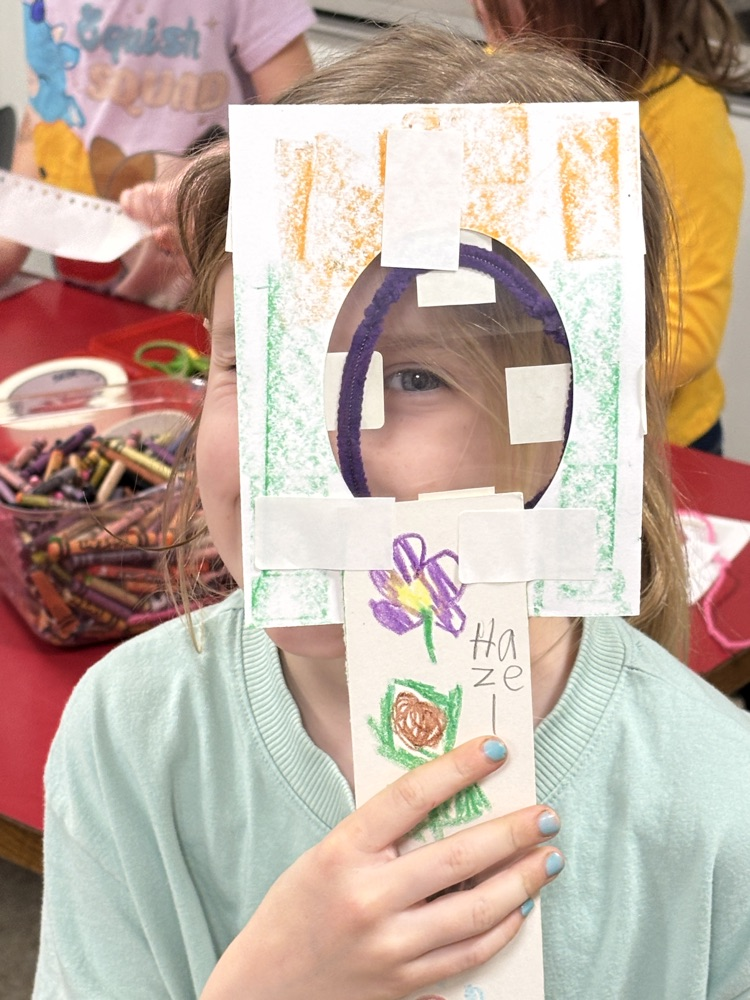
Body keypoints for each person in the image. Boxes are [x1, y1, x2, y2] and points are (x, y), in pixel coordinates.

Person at [33, 25, 750, 1000]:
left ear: (566, 420)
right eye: (254, 358)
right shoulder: (128, 737)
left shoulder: (719, 808)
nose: (302, 446)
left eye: (413, 374)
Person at [471, 0, 748, 454]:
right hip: (518, 424)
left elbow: (688, 334)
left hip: (652, 444)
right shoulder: (493, 79)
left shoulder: (681, 117)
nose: (480, 9)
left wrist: (529, 376)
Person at [0, 0, 315, 307]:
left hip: (208, 299)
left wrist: (218, 175)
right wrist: (8, 241)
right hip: (83, 296)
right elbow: (45, 115)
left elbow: (305, 132)